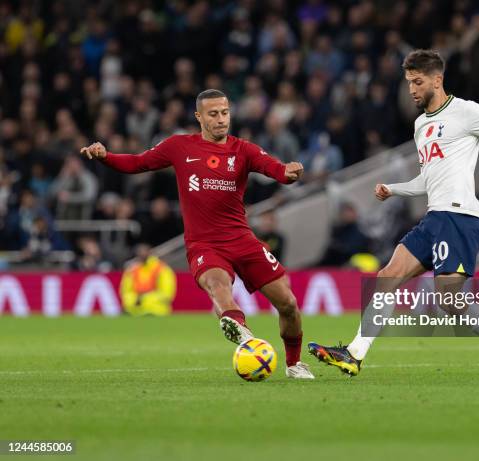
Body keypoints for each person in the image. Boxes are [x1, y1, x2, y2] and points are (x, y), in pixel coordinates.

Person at [308, 49, 479, 380]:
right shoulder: (420, 125)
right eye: (408, 82)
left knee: (450, 300)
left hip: (459, 217)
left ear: (437, 79)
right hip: (434, 217)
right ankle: (354, 354)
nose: (411, 89)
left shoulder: (466, 112)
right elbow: (428, 179)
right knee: (388, 275)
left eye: (417, 82)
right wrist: (395, 188)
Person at [80, 89, 314, 379]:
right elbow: (138, 163)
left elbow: (275, 170)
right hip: (204, 244)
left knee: (288, 304)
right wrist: (106, 157)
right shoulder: (179, 146)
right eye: (213, 114)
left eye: (225, 113)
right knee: (219, 287)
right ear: (199, 117)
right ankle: (247, 341)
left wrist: (289, 172)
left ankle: (294, 364)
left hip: (242, 240)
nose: (221, 119)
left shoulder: (243, 150)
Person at [120, 244, 177, 317]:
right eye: (140, 253)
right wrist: (135, 299)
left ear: (150, 252)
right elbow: (125, 291)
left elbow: (167, 294)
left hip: (157, 311)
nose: (142, 254)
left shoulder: (161, 269)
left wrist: (144, 299)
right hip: (134, 311)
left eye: (144, 252)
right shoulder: (132, 270)